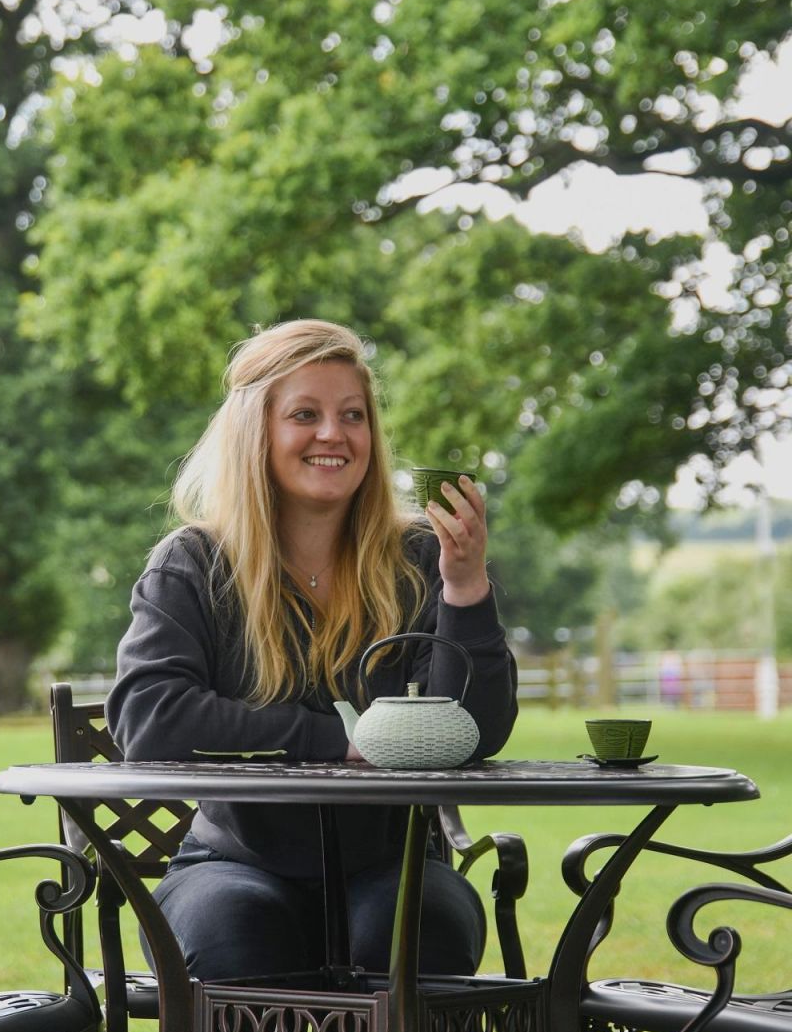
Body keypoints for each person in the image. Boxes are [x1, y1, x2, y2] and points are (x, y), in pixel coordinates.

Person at [106, 319, 517, 982]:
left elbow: (476, 732)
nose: (335, 433)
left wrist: (465, 587)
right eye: (306, 414)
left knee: (415, 932)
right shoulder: (193, 565)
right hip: (230, 864)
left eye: (352, 415)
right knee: (238, 930)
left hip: (397, 864)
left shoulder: (416, 558)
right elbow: (150, 718)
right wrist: (336, 740)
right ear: (256, 433)